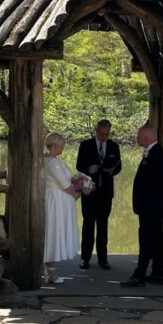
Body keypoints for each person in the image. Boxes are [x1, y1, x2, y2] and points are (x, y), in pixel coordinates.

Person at [121, 124, 163, 287]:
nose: (137, 138)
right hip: (150, 206)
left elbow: (159, 183)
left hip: (152, 207)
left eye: (138, 135)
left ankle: (139, 275)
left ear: (146, 137)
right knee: (156, 240)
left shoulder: (157, 154)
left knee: (147, 239)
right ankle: (157, 274)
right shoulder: (152, 152)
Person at [75, 119, 121, 269]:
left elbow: (119, 166)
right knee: (88, 225)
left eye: (106, 134)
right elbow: (79, 166)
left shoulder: (114, 146)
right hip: (89, 190)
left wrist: (113, 170)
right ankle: (85, 258)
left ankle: (103, 259)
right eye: (101, 134)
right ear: (96, 130)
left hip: (106, 192)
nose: (104, 137)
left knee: (103, 226)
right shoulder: (85, 145)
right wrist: (90, 168)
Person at [43, 132, 81, 284]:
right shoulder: (53, 163)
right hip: (57, 202)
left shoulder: (45, 160)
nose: (63, 149)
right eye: (62, 146)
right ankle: (51, 271)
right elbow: (65, 185)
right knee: (53, 233)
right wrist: (79, 192)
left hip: (54, 199)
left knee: (51, 232)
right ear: (56, 145)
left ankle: (48, 268)